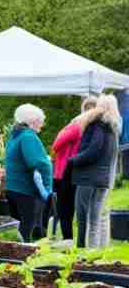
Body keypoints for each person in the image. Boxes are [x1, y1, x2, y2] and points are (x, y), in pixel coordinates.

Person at [70, 94, 122, 248]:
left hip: (88, 178)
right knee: (95, 220)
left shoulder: (97, 125)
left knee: (82, 217)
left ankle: (82, 253)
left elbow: (93, 151)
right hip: (103, 179)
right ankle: (93, 254)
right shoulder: (113, 129)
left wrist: (72, 160)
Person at [4, 104, 53, 241]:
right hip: (24, 189)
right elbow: (36, 162)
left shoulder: (14, 135)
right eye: (40, 121)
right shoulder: (28, 136)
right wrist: (47, 162)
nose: (42, 125)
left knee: (16, 228)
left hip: (12, 188)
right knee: (27, 227)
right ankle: (23, 255)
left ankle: (13, 253)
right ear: (32, 121)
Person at [52, 97, 96, 240]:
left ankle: (68, 240)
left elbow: (56, 144)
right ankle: (73, 240)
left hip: (66, 171)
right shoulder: (89, 127)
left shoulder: (77, 126)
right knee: (74, 209)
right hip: (76, 171)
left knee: (65, 210)